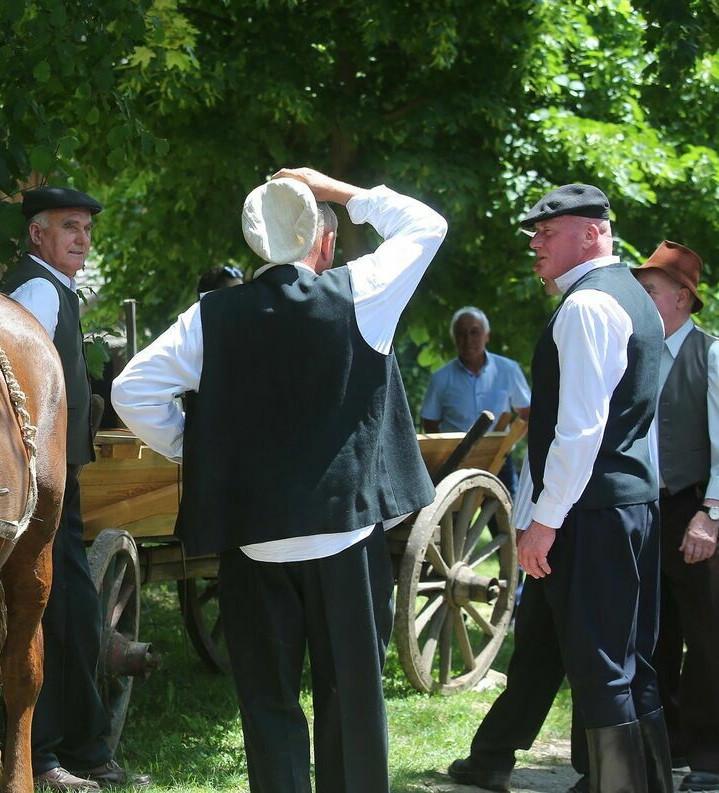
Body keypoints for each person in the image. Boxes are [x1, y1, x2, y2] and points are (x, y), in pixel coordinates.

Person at [113, 167, 446, 792]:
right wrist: (340, 190)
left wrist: (206, 451)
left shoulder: (211, 317)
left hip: (255, 542)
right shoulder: (362, 291)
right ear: (322, 243)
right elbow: (427, 224)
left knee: (268, 709)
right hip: (346, 538)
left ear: (257, 246)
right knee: (350, 706)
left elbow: (133, 389)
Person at [447, 183, 672, 793]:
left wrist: (544, 521)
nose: (535, 243)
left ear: (593, 232)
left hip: (590, 512)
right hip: (616, 506)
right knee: (580, 646)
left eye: (549, 231)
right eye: (535, 233)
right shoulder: (630, 296)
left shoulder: (588, 306)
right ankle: (502, 755)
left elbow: (579, 432)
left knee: (606, 665)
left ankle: (622, 786)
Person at [1, 186, 150, 791]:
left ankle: (77, 749)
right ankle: (51, 755)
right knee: (63, 615)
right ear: (38, 235)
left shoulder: (51, 287)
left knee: (73, 613)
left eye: (86, 228)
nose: (82, 237)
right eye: (69, 227)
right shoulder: (36, 290)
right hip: (39, 482)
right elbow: (19, 388)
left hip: (51, 477)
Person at [627, 241, 719, 790]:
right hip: (647, 511)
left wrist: (711, 515)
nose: (640, 298)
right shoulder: (637, 353)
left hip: (698, 509)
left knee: (706, 637)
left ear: (681, 298)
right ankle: (668, 747)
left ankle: (715, 757)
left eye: (649, 290)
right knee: (656, 636)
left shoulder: (714, 354)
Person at [421, 306, 531, 495]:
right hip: (455, 459)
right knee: (454, 521)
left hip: (498, 456)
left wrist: (508, 444)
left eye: (474, 332)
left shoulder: (508, 370)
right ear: (454, 338)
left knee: (506, 520)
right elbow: (429, 421)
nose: (468, 339)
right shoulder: (441, 378)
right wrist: (442, 453)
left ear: (486, 336)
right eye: (461, 333)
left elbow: (528, 414)